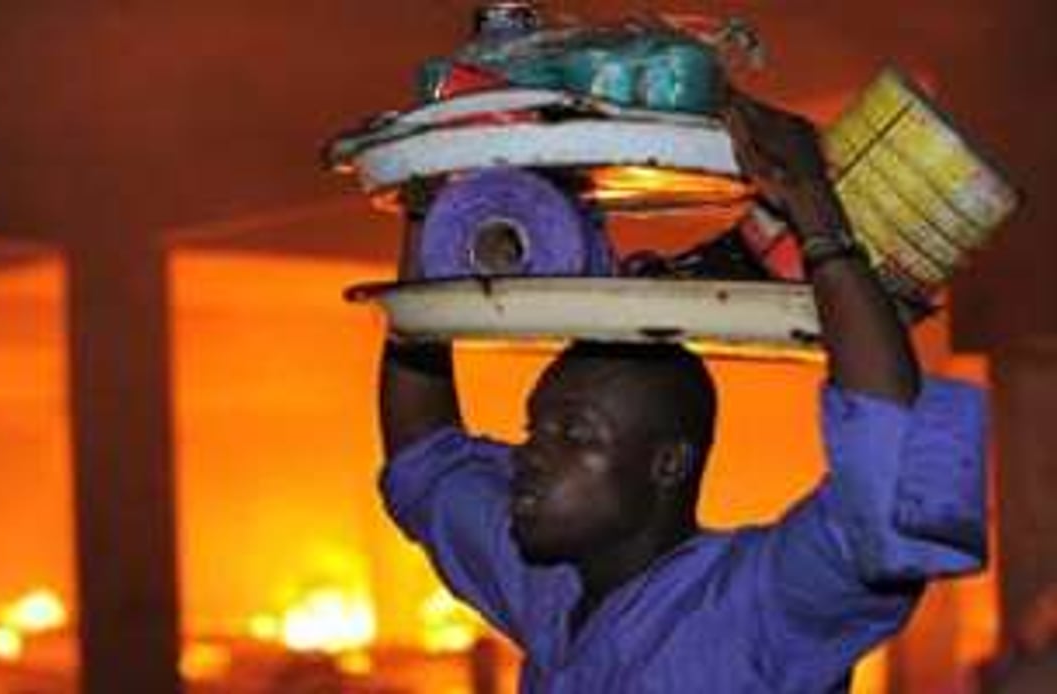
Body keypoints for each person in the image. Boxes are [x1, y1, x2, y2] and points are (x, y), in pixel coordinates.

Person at [376, 92, 988, 692]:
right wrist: (428, 217)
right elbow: (425, 460)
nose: (529, 454)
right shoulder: (549, 585)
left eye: (574, 433)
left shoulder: (756, 609)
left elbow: (892, 486)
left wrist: (816, 214)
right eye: (535, 428)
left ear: (667, 464)